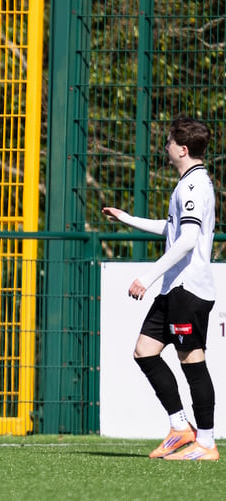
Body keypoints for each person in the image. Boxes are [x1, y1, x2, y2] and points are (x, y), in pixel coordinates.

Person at [102, 116, 218, 461]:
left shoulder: (196, 186)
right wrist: (127, 219)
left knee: (192, 361)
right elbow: (171, 230)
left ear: (183, 149)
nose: (165, 147)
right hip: (173, 289)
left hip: (189, 290)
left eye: (169, 143)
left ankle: (207, 443)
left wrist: (147, 278)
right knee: (144, 351)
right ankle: (180, 427)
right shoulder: (185, 184)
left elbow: (187, 242)